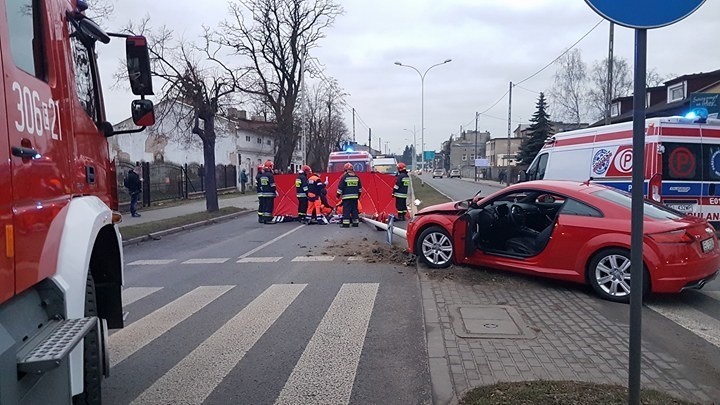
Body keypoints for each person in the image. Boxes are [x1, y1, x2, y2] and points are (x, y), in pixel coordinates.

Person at [336, 163, 362, 228]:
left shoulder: (344, 177)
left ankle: (346, 224)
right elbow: (360, 189)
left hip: (347, 197)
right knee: (354, 210)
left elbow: (340, 188)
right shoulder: (357, 177)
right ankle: (355, 223)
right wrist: (358, 196)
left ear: (345, 170)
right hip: (355, 197)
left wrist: (337, 196)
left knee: (346, 210)